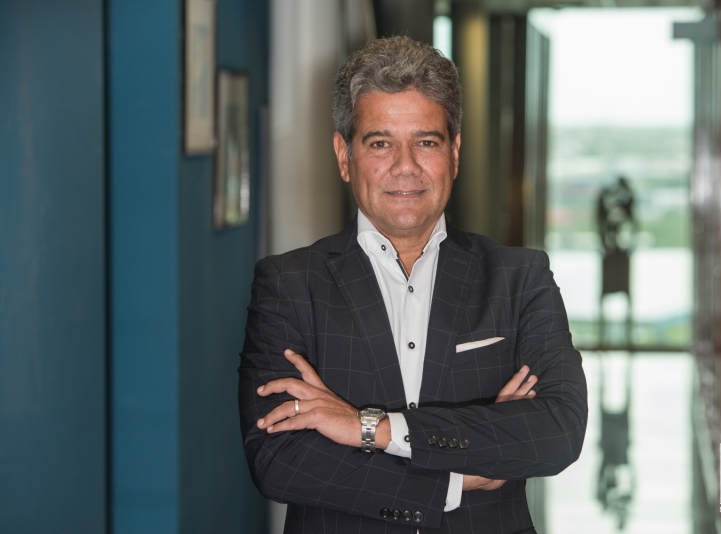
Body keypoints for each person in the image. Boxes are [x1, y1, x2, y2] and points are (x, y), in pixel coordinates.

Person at [238, 36, 587, 534]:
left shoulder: (519, 277)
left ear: (454, 152)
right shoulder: (288, 284)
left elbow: (557, 431)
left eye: (426, 142)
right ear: (344, 155)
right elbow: (279, 459)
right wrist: (458, 477)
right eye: (380, 143)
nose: (405, 166)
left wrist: (368, 427)